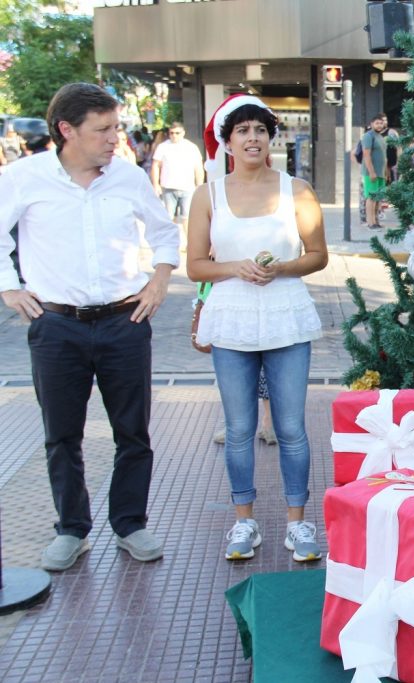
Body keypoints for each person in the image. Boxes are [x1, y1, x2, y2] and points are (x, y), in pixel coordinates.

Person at [0, 83, 179, 571]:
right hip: (55, 327)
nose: (114, 139)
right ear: (66, 130)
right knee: (62, 434)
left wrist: (159, 280)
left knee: (133, 432)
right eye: (103, 129)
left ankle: (129, 524)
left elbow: (164, 233)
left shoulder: (128, 177)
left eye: (115, 127)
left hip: (125, 321)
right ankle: (71, 530)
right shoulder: (23, 178)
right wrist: (9, 288)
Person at [186, 94, 328, 563]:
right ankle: (243, 521)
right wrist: (234, 268)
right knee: (240, 427)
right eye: (242, 131)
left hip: (286, 316)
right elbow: (196, 266)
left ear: (271, 139)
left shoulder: (297, 189)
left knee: (291, 426)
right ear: (227, 142)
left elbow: (317, 254)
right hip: (231, 321)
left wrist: (282, 267)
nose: (252, 138)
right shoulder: (207, 195)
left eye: (260, 130)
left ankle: (297, 523)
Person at [151, 121, 204, 232]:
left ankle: (189, 244)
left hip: (187, 187)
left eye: (177, 133)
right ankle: (171, 243)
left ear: (183, 133)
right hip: (168, 187)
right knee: (168, 218)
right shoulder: (163, 146)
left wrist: (199, 185)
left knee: (188, 217)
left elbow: (198, 167)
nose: (174, 135)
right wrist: (155, 184)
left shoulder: (191, 147)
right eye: (172, 133)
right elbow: (156, 165)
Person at [361, 113, 388, 230]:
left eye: (381, 123)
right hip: (371, 173)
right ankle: (370, 222)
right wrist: (371, 172)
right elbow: (366, 155)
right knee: (371, 197)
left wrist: (386, 172)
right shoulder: (368, 136)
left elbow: (384, 157)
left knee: (378, 199)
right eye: (377, 123)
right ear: (371, 124)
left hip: (381, 173)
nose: (379, 125)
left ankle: (376, 221)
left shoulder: (381, 138)